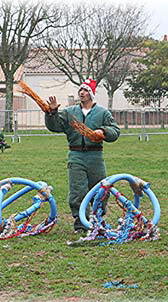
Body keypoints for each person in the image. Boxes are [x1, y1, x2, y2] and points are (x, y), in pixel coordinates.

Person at [45, 78, 120, 232]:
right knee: (77, 191)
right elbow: (55, 126)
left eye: (85, 90)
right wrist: (52, 113)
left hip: (95, 156)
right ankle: (80, 223)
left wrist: (104, 132)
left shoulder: (102, 113)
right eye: (80, 90)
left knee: (100, 190)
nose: (82, 93)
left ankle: (98, 218)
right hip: (76, 155)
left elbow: (115, 131)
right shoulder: (69, 112)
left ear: (91, 94)